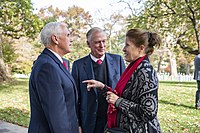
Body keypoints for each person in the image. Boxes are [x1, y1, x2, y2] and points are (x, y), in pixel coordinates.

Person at [83, 29, 162, 132]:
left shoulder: (145, 72)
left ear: (141, 48)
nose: (123, 49)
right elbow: (122, 95)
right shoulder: (133, 68)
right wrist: (103, 87)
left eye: (127, 45)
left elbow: (148, 112)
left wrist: (118, 101)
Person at [71, 27, 125, 133]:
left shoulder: (117, 60)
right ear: (88, 44)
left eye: (104, 41)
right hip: (89, 123)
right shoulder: (78, 65)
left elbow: (124, 90)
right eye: (97, 42)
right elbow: (75, 98)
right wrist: (78, 124)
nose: (102, 45)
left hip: (113, 121)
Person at [28, 22, 79, 133]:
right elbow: (56, 115)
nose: (71, 40)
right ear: (55, 39)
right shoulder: (48, 67)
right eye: (68, 35)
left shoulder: (54, 63)